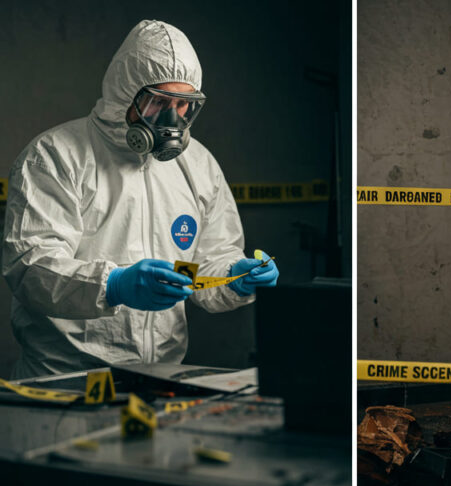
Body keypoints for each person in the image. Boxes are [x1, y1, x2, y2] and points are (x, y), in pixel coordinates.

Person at [2, 20, 278, 379]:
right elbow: (30, 267)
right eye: (159, 102)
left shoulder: (198, 164)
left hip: (159, 377)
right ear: (124, 94)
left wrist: (233, 277)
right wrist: (113, 286)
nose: (172, 119)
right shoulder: (55, 156)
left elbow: (210, 261)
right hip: (65, 379)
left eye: (183, 105)